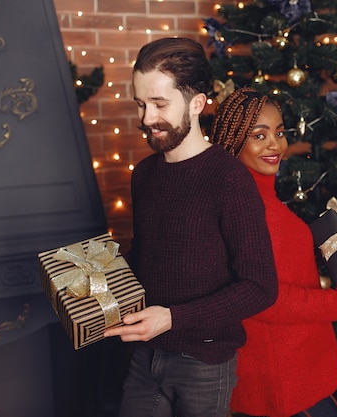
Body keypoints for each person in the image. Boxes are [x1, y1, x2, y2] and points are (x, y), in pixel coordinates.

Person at [103, 39, 278, 417]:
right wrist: (92, 284)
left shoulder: (229, 180)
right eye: (141, 104)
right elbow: (148, 258)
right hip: (144, 354)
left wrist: (171, 317)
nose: (147, 118)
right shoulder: (145, 174)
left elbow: (261, 287)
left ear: (197, 103)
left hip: (204, 362)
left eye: (160, 104)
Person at [211, 87, 337, 417]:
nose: (275, 145)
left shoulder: (248, 199)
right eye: (258, 135)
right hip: (288, 382)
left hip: (291, 372)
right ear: (233, 141)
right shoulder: (253, 210)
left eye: (279, 132)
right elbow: (267, 297)